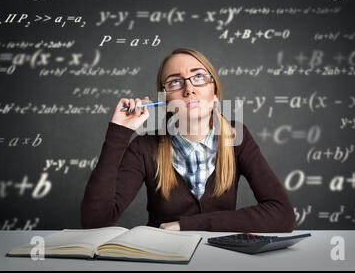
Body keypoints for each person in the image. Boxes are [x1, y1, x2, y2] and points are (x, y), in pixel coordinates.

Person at [80, 47, 296, 232]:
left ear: (215, 93)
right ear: (165, 100)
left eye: (199, 77)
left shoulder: (236, 136)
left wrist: (187, 225)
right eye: (175, 82)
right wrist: (119, 132)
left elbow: (282, 214)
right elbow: (95, 221)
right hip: (163, 262)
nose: (189, 89)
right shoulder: (144, 147)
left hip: (222, 262)